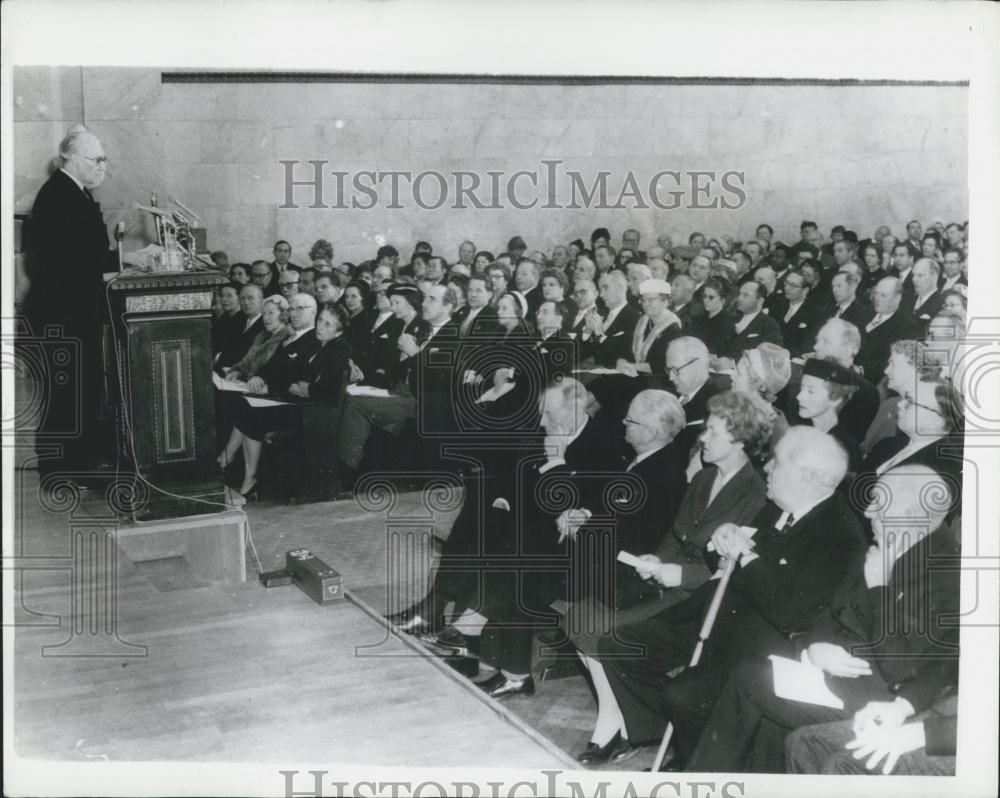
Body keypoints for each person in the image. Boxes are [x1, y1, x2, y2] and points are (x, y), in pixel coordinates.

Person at [600, 427, 864, 767]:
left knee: (684, 695)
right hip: (713, 616)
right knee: (619, 643)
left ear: (805, 477)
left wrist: (747, 558)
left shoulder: (840, 536)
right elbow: (725, 561)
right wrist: (720, 539)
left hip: (757, 645)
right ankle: (677, 736)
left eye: (777, 463)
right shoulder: (778, 506)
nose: (766, 468)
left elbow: (790, 612)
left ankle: (702, 757)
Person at [686, 465, 959, 773]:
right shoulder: (889, 546)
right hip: (834, 675)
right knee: (753, 679)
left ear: (910, 516)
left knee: (751, 681)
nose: (868, 512)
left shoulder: (947, 576)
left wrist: (879, 589)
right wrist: (814, 650)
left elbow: (901, 667)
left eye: (879, 504)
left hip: (875, 700)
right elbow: (829, 613)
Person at [573, 391, 769, 766]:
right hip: (666, 582)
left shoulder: (755, 494)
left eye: (712, 432)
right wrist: (657, 559)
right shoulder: (704, 477)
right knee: (582, 617)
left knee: (603, 634)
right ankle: (629, 722)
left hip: (700, 598)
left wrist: (677, 573)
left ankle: (629, 725)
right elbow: (674, 534)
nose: (702, 438)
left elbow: (729, 571)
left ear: (740, 440)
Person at [23, 127, 116, 482]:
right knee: (68, 391)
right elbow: (77, 259)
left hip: (68, 310)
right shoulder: (61, 196)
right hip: (62, 314)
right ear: (72, 160)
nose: (102, 167)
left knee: (74, 390)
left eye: (104, 159)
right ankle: (63, 471)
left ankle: (71, 467)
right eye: (96, 160)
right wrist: (125, 261)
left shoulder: (72, 193)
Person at [216, 294, 328, 499]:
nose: (294, 313)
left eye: (300, 309)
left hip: (299, 405)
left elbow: (298, 377)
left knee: (250, 411)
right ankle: (242, 472)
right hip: (281, 397)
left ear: (314, 312)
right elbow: (271, 367)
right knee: (245, 405)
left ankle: (233, 466)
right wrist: (259, 376)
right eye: (291, 309)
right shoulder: (290, 338)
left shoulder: (313, 340)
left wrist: (270, 387)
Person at [857, 277, 919, 381]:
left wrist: (859, 369)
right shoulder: (863, 313)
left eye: (883, 295)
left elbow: (891, 362)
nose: (877, 298)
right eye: (876, 293)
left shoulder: (906, 326)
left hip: (872, 381)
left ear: (898, 298)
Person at [690, 277, 736, 358]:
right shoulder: (699, 318)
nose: (705, 300)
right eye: (704, 296)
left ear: (723, 300)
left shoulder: (727, 323)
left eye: (711, 297)